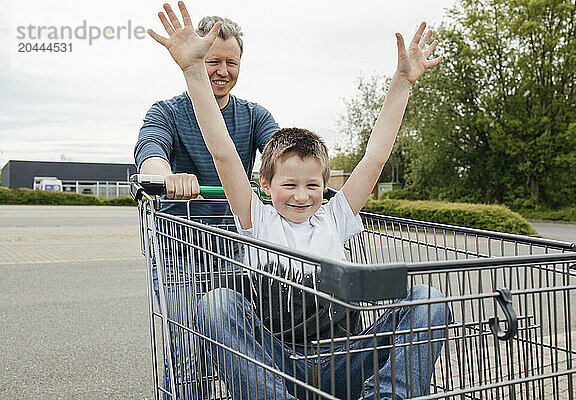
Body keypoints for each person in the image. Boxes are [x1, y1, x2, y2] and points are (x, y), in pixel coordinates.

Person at [148, 2, 450, 399]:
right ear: (265, 184)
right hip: (276, 365)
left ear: (325, 185)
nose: (302, 196)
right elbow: (222, 151)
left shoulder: (335, 217)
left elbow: (376, 155)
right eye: (289, 185)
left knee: (428, 299)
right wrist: (192, 71)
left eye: (312, 185)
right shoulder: (256, 219)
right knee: (217, 302)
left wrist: (403, 82)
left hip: (340, 360)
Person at [136, 8, 279, 399]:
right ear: (197, 58)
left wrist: (293, 180)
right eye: (212, 60)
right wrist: (164, 175)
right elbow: (150, 148)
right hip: (180, 250)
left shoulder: (253, 115)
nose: (222, 70)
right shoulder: (166, 111)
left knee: (245, 348)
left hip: (236, 250)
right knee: (188, 351)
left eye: (231, 62)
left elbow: (280, 153)